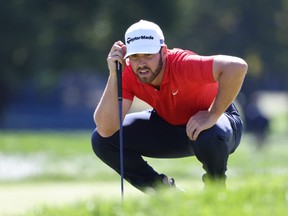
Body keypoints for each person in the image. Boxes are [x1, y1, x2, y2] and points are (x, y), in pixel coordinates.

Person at [91, 20, 248, 192]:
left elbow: (237, 67)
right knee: (102, 141)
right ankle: (166, 194)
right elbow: (106, 128)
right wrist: (114, 74)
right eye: (135, 56)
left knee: (208, 134)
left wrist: (212, 114)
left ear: (163, 52)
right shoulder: (129, 73)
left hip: (219, 125)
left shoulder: (183, 64)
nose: (141, 63)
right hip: (170, 124)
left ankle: (215, 193)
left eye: (148, 55)